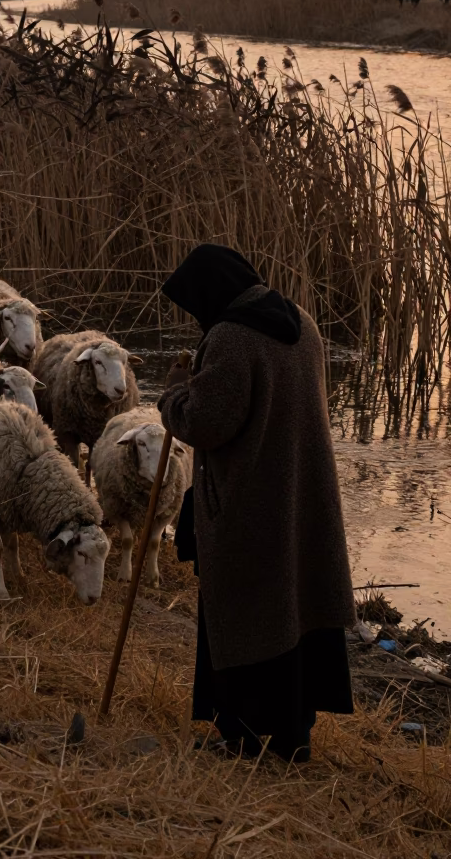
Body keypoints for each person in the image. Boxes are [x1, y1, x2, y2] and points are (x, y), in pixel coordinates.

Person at [157, 244, 355, 763]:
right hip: (300, 496)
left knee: (245, 616)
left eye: (194, 303)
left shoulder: (231, 338)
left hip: (249, 507)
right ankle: (294, 738)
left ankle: (241, 736)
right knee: (295, 610)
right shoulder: (301, 322)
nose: (196, 316)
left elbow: (204, 424)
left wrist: (175, 393)